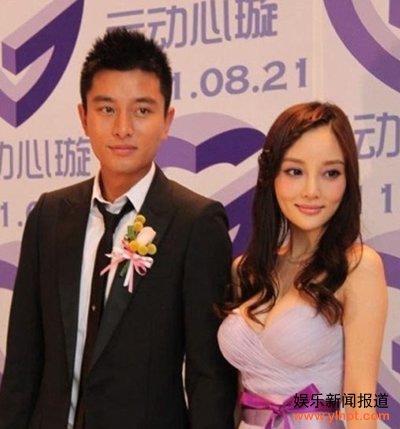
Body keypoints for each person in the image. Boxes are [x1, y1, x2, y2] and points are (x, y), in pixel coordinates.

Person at [0, 28, 237, 429]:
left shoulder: (195, 223)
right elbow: (23, 361)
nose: (123, 128)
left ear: (167, 120)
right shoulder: (50, 215)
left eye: (142, 111)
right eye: (107, 109)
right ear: (84, 117)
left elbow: (209, 378)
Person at [217, 101, 387, 429]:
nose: (312, 191)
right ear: (271, 177)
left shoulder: (357, 268)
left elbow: (360, 396)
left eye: (331, 173)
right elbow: (238, 393)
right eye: (295, 171)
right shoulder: (246, 270)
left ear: (348, 179)